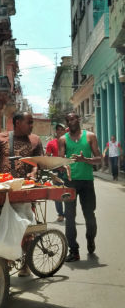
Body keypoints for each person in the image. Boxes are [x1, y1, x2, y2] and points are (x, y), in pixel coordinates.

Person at [0, 111, 44, 277]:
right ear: (17, 122)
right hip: (3, 191)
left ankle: (25, 264)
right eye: (29, 122)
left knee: (26, 228)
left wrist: (33, 173)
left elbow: (38, 162)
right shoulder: (1, 138)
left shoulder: (35, 140)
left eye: (32, 122)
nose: (31, 125)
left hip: (25, 191)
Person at [58, 111, 102, 262]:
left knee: (90, 216)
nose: (72, 121)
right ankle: (74, 250)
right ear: (67, 123)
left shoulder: (90, 136)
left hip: (87, 182)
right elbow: (61, 160)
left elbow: (99, 159)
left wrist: (85, 159)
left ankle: (90, 239)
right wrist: (63, 166)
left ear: (78, 120)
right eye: (69, 120)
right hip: (70, 182)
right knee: (69, 217)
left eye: (74, 118)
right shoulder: (63, 139)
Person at [45, 123, 67, 222]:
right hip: (56, 171)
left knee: (68, 192)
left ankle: (68, 213)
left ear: (65, 131)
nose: (59, 131)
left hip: (68, 170)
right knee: (57, 193)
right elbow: (47, 156)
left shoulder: (69, 142)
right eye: (58, 129)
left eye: (61, 129)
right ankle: (60, 214)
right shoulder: (51, 143)